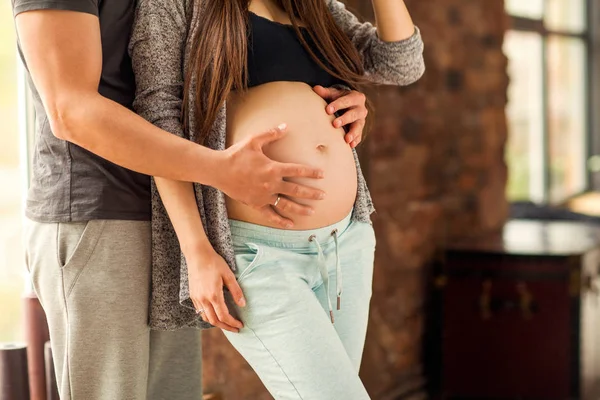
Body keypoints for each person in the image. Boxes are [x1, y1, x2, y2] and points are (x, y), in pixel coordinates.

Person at [12, 0, 370, 398]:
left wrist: (336, 100)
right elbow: (70, 109)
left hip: (169, 212)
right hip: (103, 213)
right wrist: (219, 172)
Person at [130, 0, 424, 398]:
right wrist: (196, 249)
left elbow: (401, 64)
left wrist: (349, 103)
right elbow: (157, 120)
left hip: (346, 244)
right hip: (257, 255)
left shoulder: (314, 7)